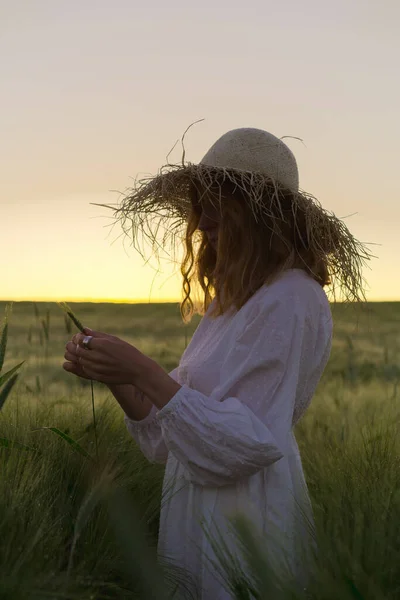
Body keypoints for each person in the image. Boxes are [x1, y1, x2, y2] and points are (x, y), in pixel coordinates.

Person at [69, 128, 373, 599]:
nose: (202, 222)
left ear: (259, 213)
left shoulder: (292, 298)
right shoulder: (230, 303)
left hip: (244, 517)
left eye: (216, 205)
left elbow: (244, 443)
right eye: (199, 205)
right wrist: (116, 374)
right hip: (195, 509)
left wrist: (142, 369)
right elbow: (171, 439)